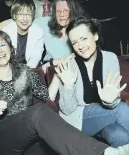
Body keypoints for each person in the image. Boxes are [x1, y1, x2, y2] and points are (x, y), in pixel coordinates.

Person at [0, 30, 128, 155]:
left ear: (10, 47)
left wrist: (59, 76)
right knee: (38, 112)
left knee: (56, 146)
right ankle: (104, 153)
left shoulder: (25, 72)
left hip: (27, 135)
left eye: (2, 45)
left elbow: (48, 96)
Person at [49, 16, 129, 148]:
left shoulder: (110, 58)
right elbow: (68, 111)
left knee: (120, 136)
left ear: (95, 36)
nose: (80, 46)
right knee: (121, 109)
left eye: (84, 38)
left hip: (103, 117)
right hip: (77, 120)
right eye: (74, 42)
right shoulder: (69, 65)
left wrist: (109, 101)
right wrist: (68, 86)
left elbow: (114, 99)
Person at [0, 0, 88, 70]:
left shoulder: (79, 32)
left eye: (66, 11)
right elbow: (26, 20)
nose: (61, 14)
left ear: (74, 11)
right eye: (58, 11)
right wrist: (4, 22)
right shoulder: (46, 23)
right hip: (48, 69)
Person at [2, 0, 45, 68]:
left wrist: (25, 74)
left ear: (33, 16)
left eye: (28, 14)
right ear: (14, 16)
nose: (25, 19)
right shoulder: (6, 31)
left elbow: (35, 59)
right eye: (21, 14)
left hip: (30, 69)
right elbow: (4, 57)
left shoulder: (38, 32)